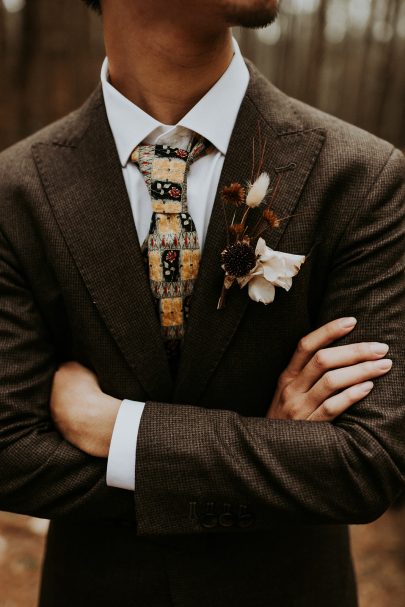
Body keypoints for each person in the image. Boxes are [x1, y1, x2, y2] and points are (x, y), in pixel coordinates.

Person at [0, 1, 403, 606]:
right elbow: (9, 452)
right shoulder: (17, 191)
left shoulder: (362, 177)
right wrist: (272, 454)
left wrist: (120, 433)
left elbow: (367, 463)